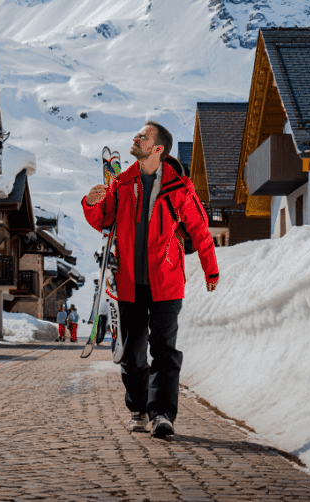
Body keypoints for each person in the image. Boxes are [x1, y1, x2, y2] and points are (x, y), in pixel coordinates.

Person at [82, 122, 219, 439]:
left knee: (164, 351)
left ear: (158, 149)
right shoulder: (122, 183)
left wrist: (210, 269)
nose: (136, 138)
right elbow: (103, 221)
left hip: (166, 283)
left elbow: (200, 230)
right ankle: (138, 409)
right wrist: (91, 203)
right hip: (128, 284)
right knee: (132, 354)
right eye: (137, 135)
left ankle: (162, 415)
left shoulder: (179, 188)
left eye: (143, 137)